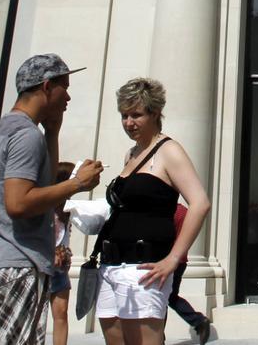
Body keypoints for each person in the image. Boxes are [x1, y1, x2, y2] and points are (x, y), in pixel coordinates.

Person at [0, 53, 102, 345]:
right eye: (64, 87)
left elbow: (38, 186)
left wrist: (53, 133)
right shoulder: (25, 134)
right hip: (17, 263)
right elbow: (19, 203)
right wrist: (76, 184)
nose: (68, 97)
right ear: (46, 87)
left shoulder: (2, 129)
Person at [96, 77, 211, 345]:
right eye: (124, 115)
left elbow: (200, 203)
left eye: (136, 115)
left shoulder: (169, 150)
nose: (128, 122)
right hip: (111, 264)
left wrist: (173, 258)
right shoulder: (131, 154)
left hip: (143, 267)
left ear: (155, 113)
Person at [169, 203, 211, 344]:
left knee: (163, 298)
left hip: (168, 260)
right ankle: (198, 321)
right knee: (169, 297)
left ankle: (198, 320)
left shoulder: (169, 211)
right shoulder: (185, 211)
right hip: (180, 260)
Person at [50, 162, 75, 345]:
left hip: (60, 266)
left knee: (61, 312)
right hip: (42, 265)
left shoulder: (67, 209)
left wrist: (65, 251)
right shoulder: (46, 207)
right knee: (35, 313)